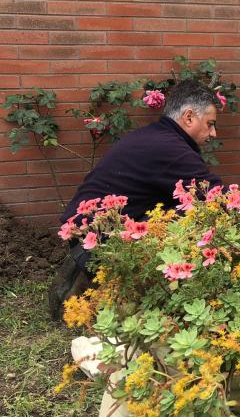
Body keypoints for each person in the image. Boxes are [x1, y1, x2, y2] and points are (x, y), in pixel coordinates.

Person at [48, 79, 223, 318]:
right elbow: (215, 198)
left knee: (180, 209)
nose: (213, 133)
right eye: (210, 124)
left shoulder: (156, 136)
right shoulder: (171, 149)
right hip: (100, 246)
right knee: (204, 219)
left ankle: (87, 282)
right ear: (189, 117)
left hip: (87, 236)